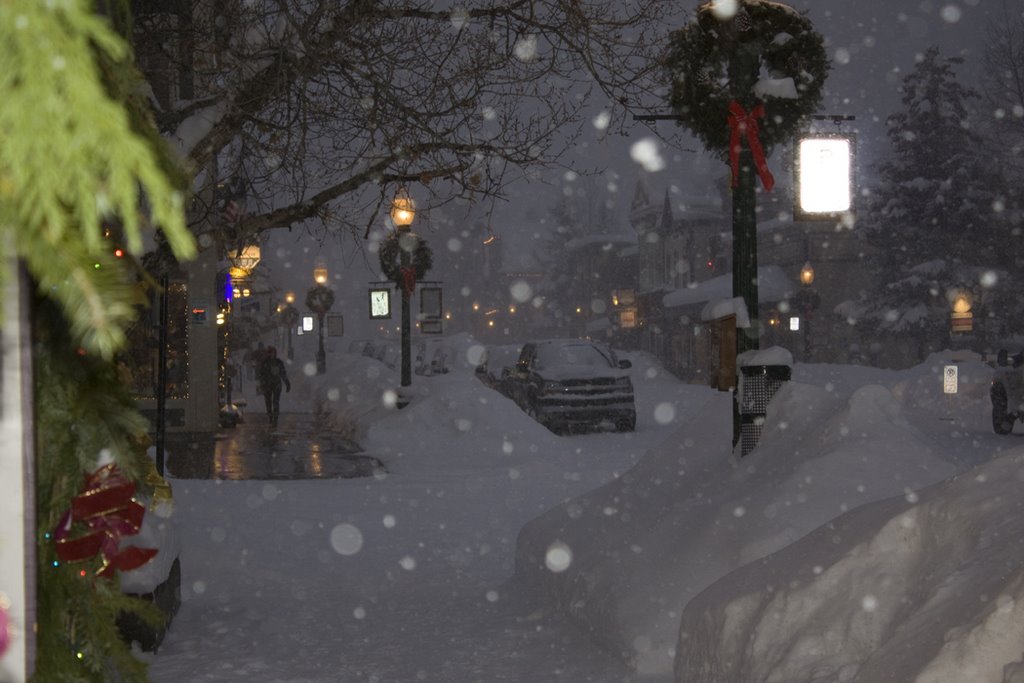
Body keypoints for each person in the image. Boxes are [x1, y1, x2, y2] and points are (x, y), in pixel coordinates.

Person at [256, 346, 290, 428]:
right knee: (268, 401)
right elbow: (260, 374)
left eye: (273, 353)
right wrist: (262, 383)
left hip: (276, 384)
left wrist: (287, 383)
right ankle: (270, 416)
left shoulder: (278, 362)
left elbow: (283, 373)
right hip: (267, 384)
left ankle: (275, 417)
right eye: (271, 353)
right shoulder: (265, 363)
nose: (272, 355)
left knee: (275, 401)